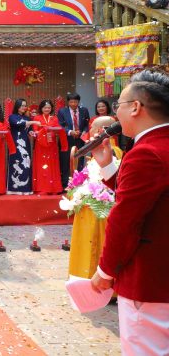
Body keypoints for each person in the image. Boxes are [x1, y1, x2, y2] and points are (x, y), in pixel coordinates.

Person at [90, 70, 169, 355]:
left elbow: (126, 220)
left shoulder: (146, 152)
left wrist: (105, 270)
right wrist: (107, 166)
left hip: (151, 280)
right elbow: (151, 197)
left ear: (136, 107)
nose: (116, 114)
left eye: (118, 105)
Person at [68, 116, 122, 280]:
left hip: (98, 209)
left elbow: (106, 183)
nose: (89, 131)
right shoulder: (101, 149)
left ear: (99, 130)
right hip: (90, 205)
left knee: (95, 247)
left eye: (91, 127)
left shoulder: (111, 151)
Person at [32, 100, 68, 194]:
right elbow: (35, 131)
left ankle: (53, 188)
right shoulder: (37, 117)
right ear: (41, 108)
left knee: (52, 165)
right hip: (40, 145)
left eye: (49, 107)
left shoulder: (54, 118)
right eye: (45, 107)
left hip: (52, 144)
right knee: (41, 165)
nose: (47, 109)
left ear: (51, 108)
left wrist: (53, 130)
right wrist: (43, 131)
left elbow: (58, 129)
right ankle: (42, 188)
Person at [58, 93, 90, 188]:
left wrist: (84, 131)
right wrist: (70, 131)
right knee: (66, 161)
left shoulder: (84, 110)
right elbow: (60, 125)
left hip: (80, 139)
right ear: (68, 102)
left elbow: (87, 124)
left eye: (75, 102)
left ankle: (79, 184)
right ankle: (66, 184)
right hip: (66, 140)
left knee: (80, 160)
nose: (73, 104)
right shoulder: (62, 111)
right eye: (71, 102)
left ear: (78, 102)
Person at [7, 99, 37, 195]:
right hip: (15, 143)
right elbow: (18, 123)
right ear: (17, 106)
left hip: (25, 143)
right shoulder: (12, 117)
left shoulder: (27, 118)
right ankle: (14, 188)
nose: (24, 107)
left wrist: (31, 132)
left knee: (26, 163)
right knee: (16, 163)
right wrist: (33, 122)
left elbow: (29, 130)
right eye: (22, 105)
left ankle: (25, 188)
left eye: (25, 105)